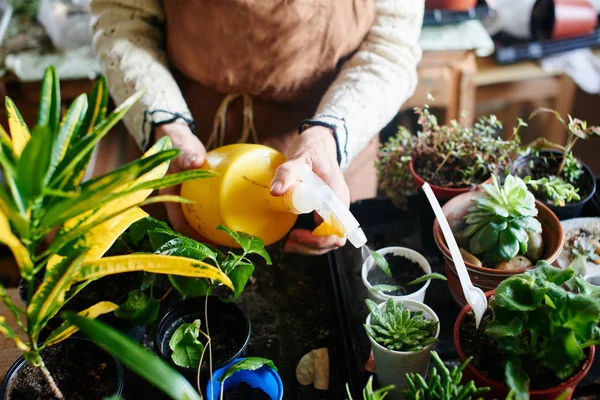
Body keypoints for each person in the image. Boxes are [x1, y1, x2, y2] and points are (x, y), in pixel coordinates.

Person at [90, 0, 424, 255]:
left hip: (324, 153)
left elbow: (390, 47)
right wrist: (166, 127)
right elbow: (122, 24)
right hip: (187, 138)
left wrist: (329, 137)